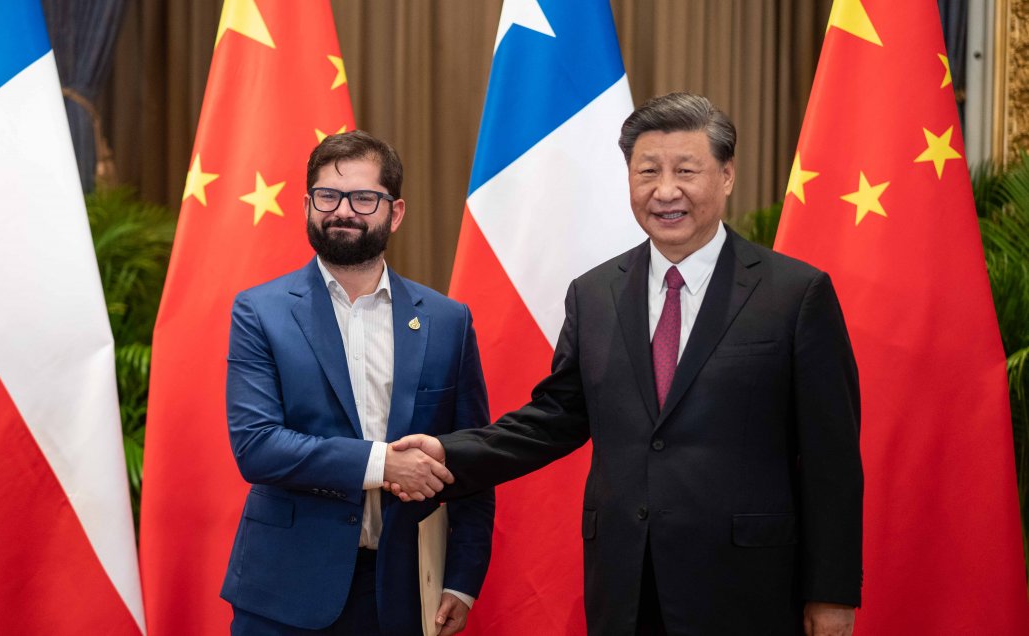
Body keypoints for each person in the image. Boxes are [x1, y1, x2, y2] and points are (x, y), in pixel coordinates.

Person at [388, 93, 862, 636]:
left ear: (727, 175)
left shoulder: (795, 294)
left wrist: (832, 593)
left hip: (747, 586)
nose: (666, 191)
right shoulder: (594, 294)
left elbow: (831, 459)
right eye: (648, 172)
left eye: (686, 170)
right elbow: (554, 419)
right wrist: (449, 453)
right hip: (626, 584)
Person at [221, 130, 495, 636]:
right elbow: (256, 447)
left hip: (403, 592)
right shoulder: (260, 311)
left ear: (395, 212)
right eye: (328, 196)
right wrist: (383, 463)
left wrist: (461, 580)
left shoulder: (447, 321)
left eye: (364, 198)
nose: (343, 211)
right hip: (285, 591)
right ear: (307, 205)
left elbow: (472, 458)